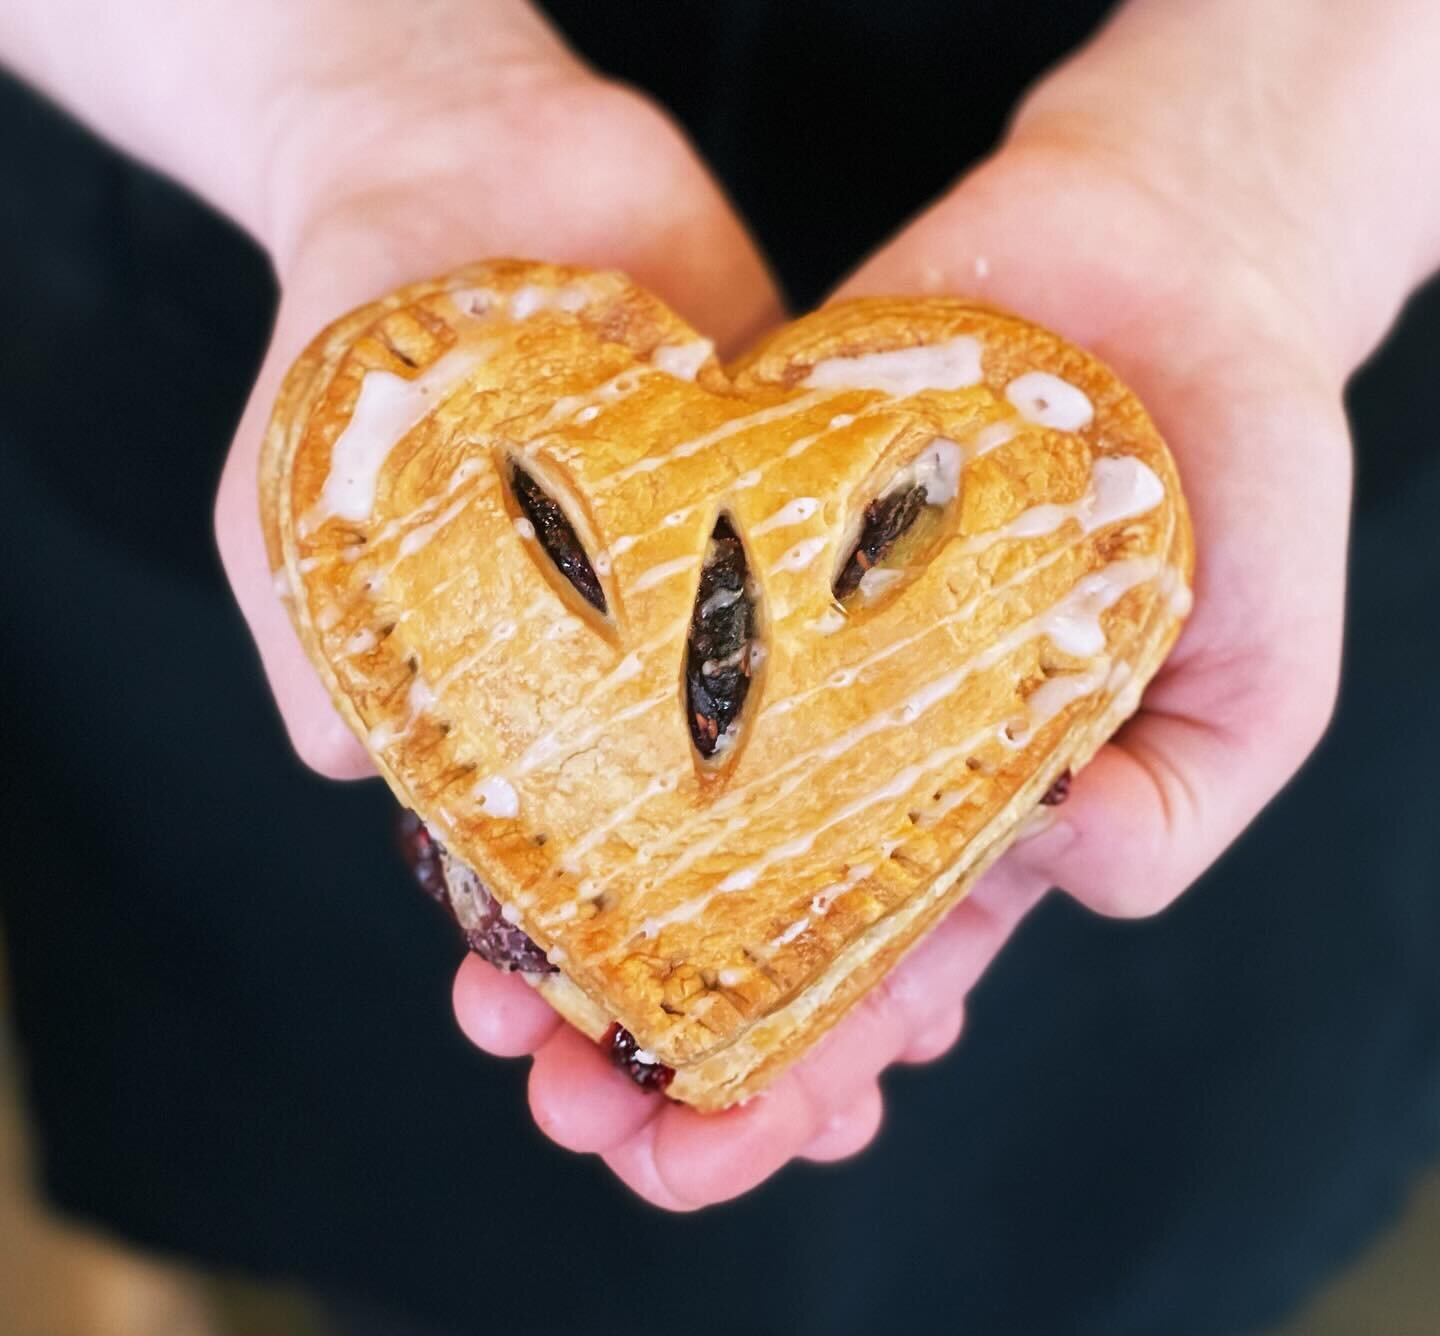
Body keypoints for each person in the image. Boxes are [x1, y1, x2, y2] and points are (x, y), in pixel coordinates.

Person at [1, 1, 1437, 1330]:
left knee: (1108, 1204)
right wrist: (362, 87)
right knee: (422, 1194)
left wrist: (1260, 169)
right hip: (224, 173)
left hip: (1316, 145)